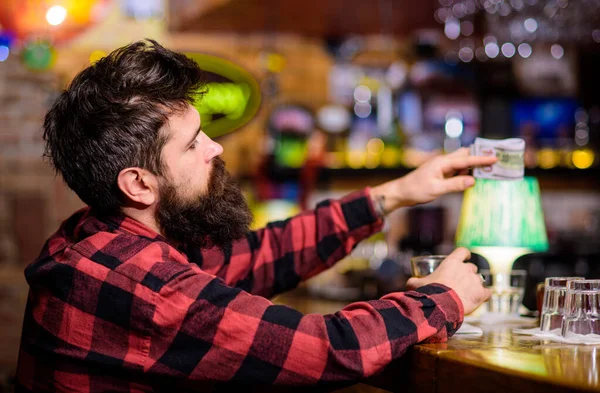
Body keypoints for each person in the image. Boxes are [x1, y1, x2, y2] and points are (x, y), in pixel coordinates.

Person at [15, 40, 496, 392]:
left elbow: (262, 255)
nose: (215, 147)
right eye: (192, 143)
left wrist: (394, 194)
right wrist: (443, 298)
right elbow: (329, 349)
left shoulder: (95, 233)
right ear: (138, 183)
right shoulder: (146, 286)